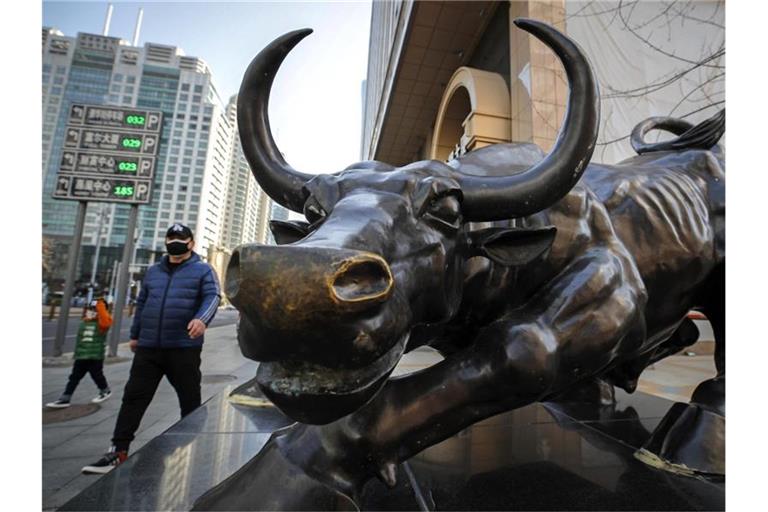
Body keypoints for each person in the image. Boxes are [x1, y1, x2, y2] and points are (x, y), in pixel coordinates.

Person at [81, 223, 221, 474]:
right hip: (149, 349)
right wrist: (135, 336)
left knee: (189, 401)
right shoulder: (154, 272)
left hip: (183, 347)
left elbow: (212, 296)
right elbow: (143, 304)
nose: (174, 241)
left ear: (191, 243)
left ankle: (196, 445)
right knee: (133, 398)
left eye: (180, 238)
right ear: (165, 241)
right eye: (171, 237)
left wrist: (202, 319)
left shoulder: (203, 270)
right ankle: (118, 451)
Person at [46, 299, 113, 408]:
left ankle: (105, 390)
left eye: (94, 309)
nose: (91, 311)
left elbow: (105, 321)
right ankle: (65, 398)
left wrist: (100, 305)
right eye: (90, 309)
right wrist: (76, 354)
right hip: (81, 356)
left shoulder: (102, 324)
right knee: (74, 377)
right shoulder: (84, 322)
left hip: (94, 356)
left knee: (97, 375)